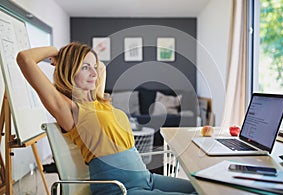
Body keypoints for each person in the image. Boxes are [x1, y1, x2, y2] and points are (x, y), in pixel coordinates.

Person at [17, 42, 197, 195]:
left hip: (146, 178)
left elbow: (101, 67)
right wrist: (57, 52)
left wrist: (86, 62)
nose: (94, 74)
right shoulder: (68, 108)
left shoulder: (97, 99)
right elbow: (25, 58)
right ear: (69, 69)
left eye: (92, 67)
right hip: (121, 188)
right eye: (85, 68)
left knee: (203, 189)